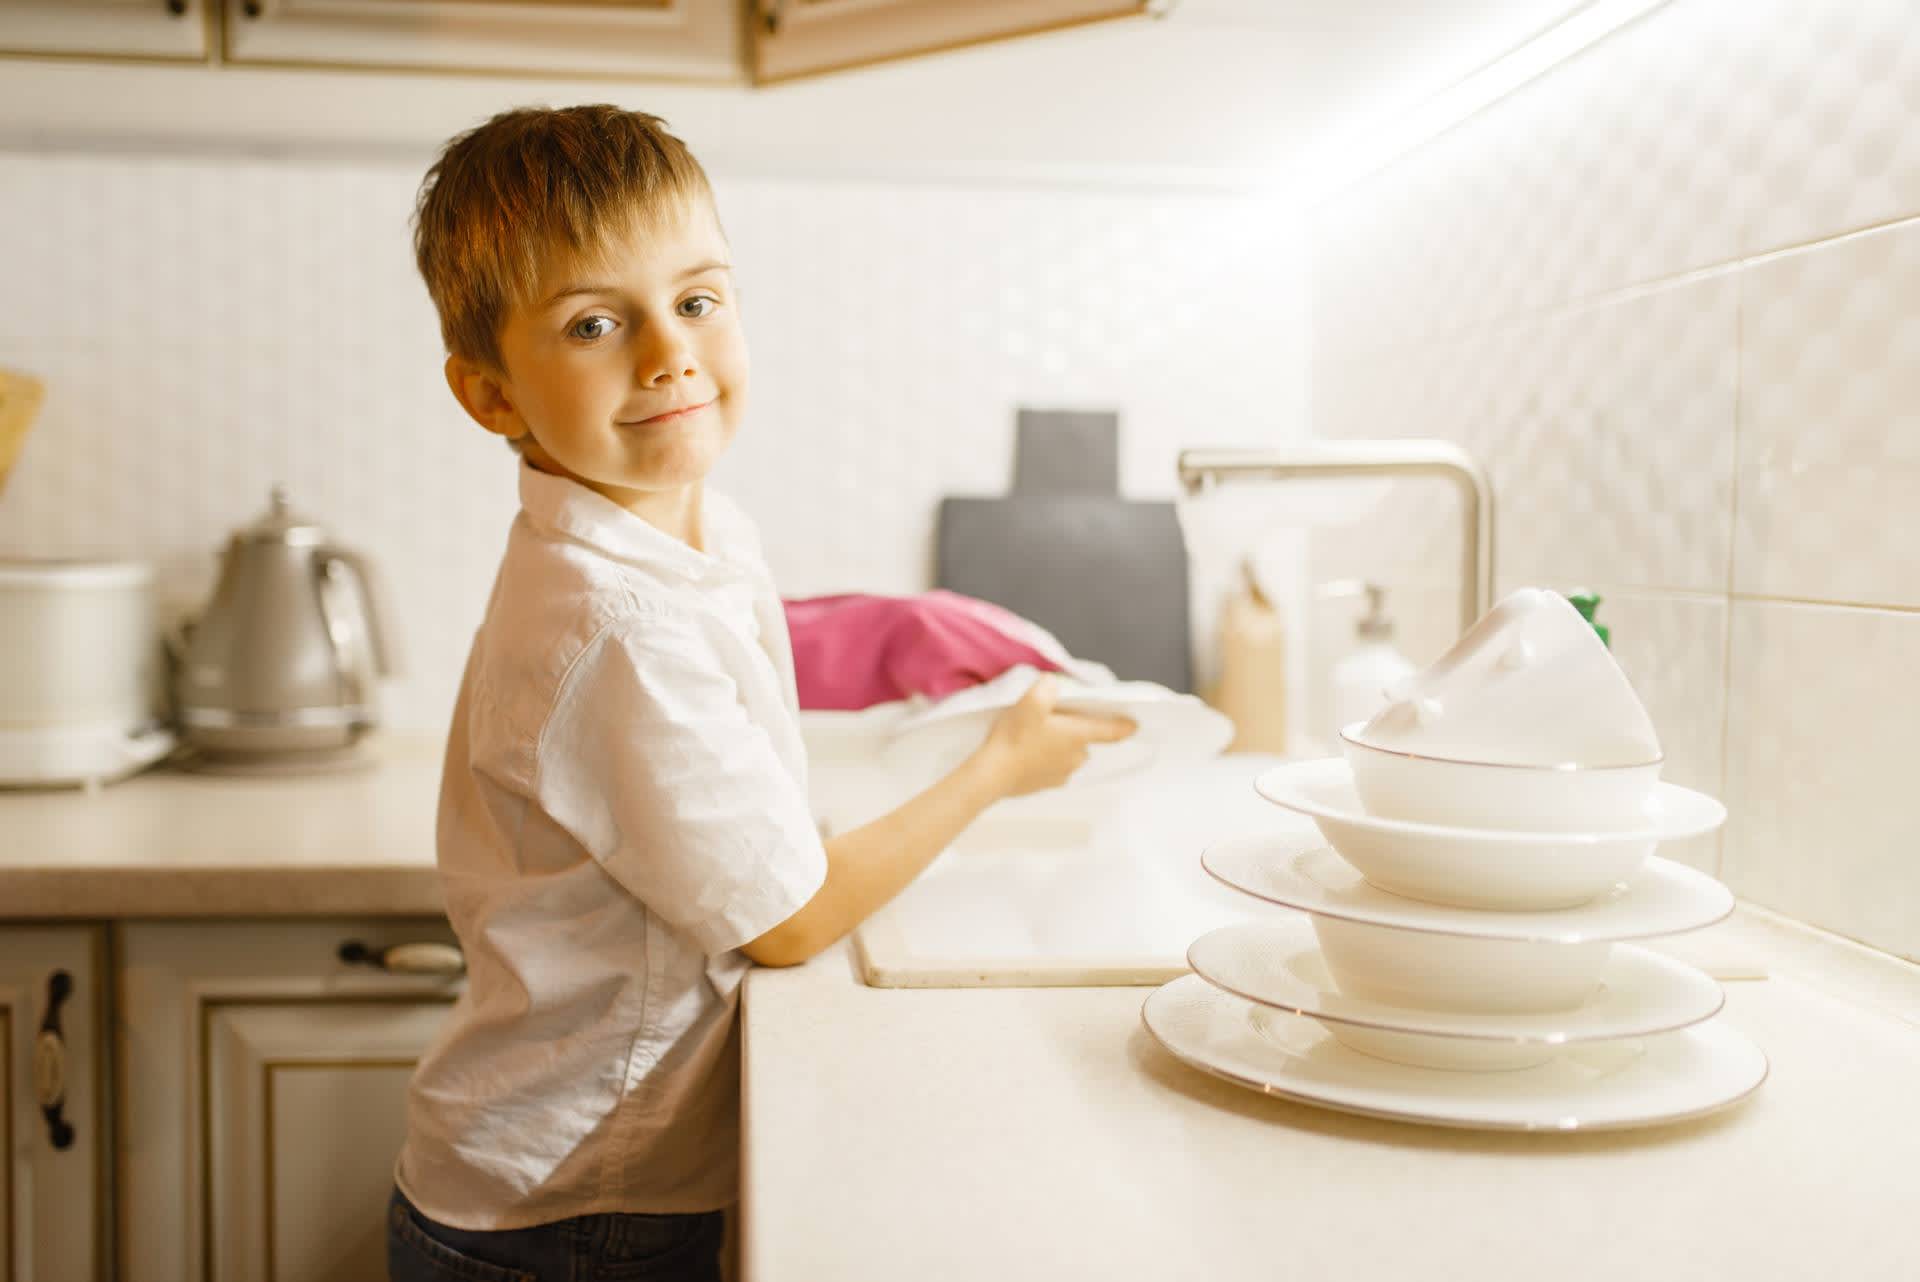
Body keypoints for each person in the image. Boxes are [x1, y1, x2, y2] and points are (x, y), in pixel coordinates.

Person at [387, 103, 1135, 1282]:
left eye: (696, 301)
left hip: (561, 1181)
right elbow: (785, 922)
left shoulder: (664, 535)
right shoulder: (614, 622)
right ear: (492, 396)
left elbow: (738, 666)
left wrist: (899, 637)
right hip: (574, 1216)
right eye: (595, 323)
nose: (668, 352)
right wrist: (993, 768)